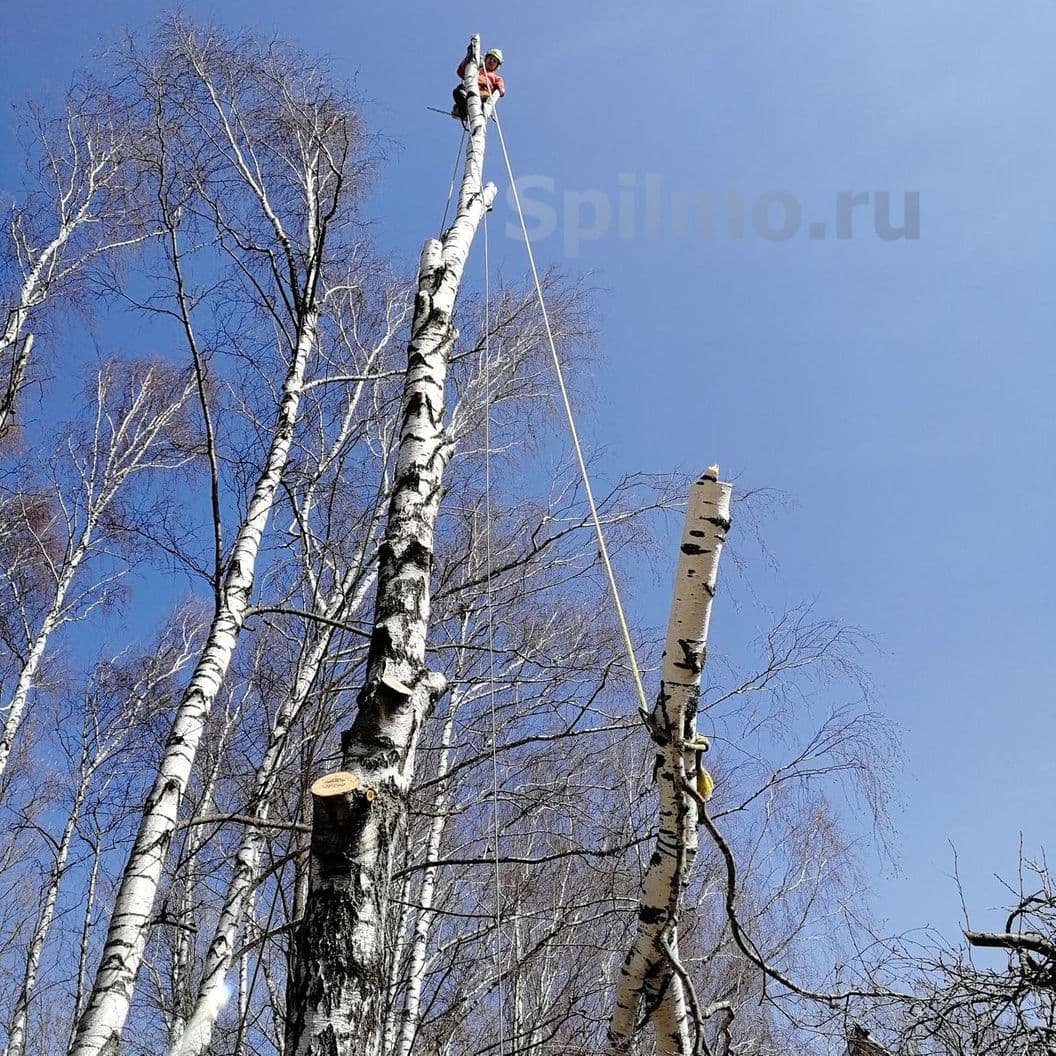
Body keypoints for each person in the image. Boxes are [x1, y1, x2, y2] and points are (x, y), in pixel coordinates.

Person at [452, 48, 505, 125]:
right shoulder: (475, 69)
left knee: (483, 99)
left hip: (483, 94)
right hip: (470, 89)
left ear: (497, 66)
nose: (491, 61)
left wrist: (501, 90)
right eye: (490, 58)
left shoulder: (496, 77)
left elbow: (501, 88)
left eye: (494, 61)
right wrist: (467, 60)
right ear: (485, 59)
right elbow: (460, 72)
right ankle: (464, 110)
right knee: (458, 91)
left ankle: (471, 109)